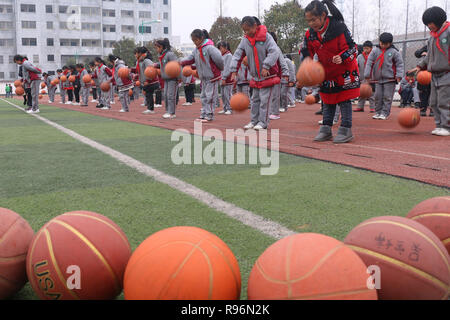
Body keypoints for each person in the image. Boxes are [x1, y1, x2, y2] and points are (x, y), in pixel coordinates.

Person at [301, 0, 360, 143]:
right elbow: (305, 52)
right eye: (308, 21)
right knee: (327, 100)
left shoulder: (339, 28)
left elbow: (353, 48)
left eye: (313, 20)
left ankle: (346, 129)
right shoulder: (310, 35)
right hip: (326, 72)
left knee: (344, 100)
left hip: (344, 70)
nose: (311, 23)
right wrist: (307, 65)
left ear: (323, 15)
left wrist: (343, 57)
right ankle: (326, 129)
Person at [229, 16, 282, 130]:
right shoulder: (245, 40)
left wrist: (266, 66)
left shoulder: (266, 37)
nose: (247, 32)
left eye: (248, 29)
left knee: (265, 101)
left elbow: (274, 51)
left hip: (268, 75)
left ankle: (263, 122)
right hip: (256, 76)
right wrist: (233, 70)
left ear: (255, 26)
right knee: (254, 100)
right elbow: (238, 54)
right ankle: (254, 121)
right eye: (244, 30)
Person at [410, 6, 449, 136]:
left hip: (447, 73)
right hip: (434, 75)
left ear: (438, 20)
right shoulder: (432, 37)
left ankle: (447, 126)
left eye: (430, 23)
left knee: (445, 101)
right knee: (434, 102)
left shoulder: (448, 32)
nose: (428, 26)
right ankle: (439, 125)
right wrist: (419, 66)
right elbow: (429, 56)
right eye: (427, 24)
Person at [181, 29, 224, 122]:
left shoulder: (210, 48)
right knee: (203, 96)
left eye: (196, 40)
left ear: (201, 38)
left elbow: (220, 60)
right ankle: (204, 113)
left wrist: (218, 70)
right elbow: (190, 59)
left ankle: (209, 115)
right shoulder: (196, 50)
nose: (195, 43)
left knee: (210, 97)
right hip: (203, 77)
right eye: (193, 41)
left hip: (212, 77)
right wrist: (180, 62)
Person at [364, 32, 404, 120]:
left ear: (390, 43)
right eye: (381, 43)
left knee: (387, 96)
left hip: (390, 79)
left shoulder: (394, 52)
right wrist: (367, 74)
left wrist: (399, 75)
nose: (382, 45)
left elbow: (399, 64)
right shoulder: (375, 51)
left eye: (385, 44)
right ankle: (378, 112)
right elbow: (369, 62)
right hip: (377, 79)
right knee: (378, 96)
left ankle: (385, 113)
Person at [154, 38, 179, 119]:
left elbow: (175, 64)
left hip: (172, 78)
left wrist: (179, 77)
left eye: (157, 47)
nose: (156, 50)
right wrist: (156, 65)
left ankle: (172, 112)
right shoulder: (162, 56)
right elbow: (163, 64)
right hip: (166, 78)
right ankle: (167, 111)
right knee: (166, 95)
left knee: (171, 95)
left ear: (161, 47)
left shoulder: (170, 54)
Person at [133, 47, 160, 115]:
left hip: (151, 81)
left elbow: (150, 70)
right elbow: (139, 71)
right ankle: (150, 108)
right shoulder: (139, 61)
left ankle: (150, 109)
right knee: (148, 94)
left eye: (136, 53)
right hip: (145, 81)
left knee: (149, 94)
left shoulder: (146, 60)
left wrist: (148, 80)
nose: (135, 55)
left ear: (140, 53)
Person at [355, 41, 375, 112]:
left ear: (371, 48)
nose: (365, 50)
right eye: (364, 48)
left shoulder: (374, 56)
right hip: (362, 77)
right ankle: (360, 106)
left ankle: (373, 107)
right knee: (361, 93)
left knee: (371, 94)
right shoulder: (360, 56)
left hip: (371, 78)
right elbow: (356, 65)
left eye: (367, 48)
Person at [414, 45, 432, 117]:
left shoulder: (443, 47)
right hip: (423, 73)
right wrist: (422, 53)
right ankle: (422, 109)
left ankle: (432, 110)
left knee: (433, 93)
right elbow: (417, 53)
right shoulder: (427, 47)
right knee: (423, 92)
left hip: (435, 72)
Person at [218, 41, 234, 115]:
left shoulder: (229, 55)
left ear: (225, 47)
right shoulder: (221, 56)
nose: (220, 50)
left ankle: (230, 108)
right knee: (223, 95)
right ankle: (225, 108)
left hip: (227, 78)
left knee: (227, 94)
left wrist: (224, 77)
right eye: (219, 48)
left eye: (221, 48)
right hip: (221, 77)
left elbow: (228, 67)